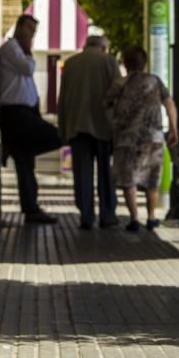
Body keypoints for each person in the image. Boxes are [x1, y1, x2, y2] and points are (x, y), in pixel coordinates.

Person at [105, 46, 179, 232]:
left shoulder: (119, 84)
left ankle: (134, 219)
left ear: (125, 63)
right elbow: (170, 104)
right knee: (152, 179)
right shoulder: (155, 81)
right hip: (152, 138)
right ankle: (152, 217)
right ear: (145, 63)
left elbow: (105, 103)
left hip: (126, 138)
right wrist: (173, 128)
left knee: (129, 180)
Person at [0, 14, 62, 224]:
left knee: (26, 163)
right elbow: (28, 68)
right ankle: (31, 208)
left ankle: (31, 208)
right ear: (19, 28)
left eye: (33, 31)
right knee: (56, 136)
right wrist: (27, 47)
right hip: (16, 114)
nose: (31, 35)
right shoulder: (12, 48)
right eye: (29, 30)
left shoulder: (20, 51)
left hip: (25, 113)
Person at [58, 35, 121, 230]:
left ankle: (86, 215)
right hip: (104, 126)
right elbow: (119, 92)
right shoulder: (109, 62)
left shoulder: (70, 63)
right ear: (103, 47)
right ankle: (107, 215)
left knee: (82, 174)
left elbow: (62, 99)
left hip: (77, 126)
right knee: (105, 173)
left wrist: (63, 130)